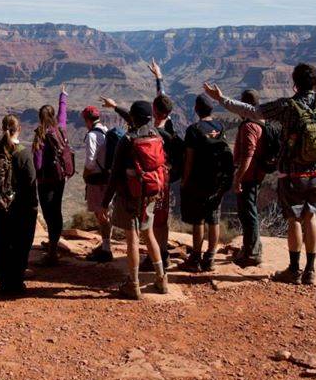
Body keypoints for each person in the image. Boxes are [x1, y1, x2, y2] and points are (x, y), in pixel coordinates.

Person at [204, 64, 316, 285]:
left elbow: (252, 111)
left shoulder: (287, 106)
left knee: (294, 220)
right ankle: (310, 271)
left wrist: (221, 98)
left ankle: (294, 269)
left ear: (294, 83)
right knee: (311, 216)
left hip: (292, 174)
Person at [101, 59, 183, 271]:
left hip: (139, 184)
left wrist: (115, 106)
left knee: (141, 229)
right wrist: (159, 77)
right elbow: (160, 101)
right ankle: (162, 256)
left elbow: (134, 117)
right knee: (160, 221)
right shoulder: (167, 129)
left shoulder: (144, 132)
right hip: (161, 182)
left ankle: (139, 271)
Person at [100, 101, 169, 300]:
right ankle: (161, 279)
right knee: (149, 235)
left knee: (132, 237)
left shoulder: (127, 140)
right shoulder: (156, 134)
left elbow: (114, 176)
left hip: (129, 196)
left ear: (134, 118)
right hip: (150, 194)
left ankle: (134, 283)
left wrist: (105, 202)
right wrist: (116, 107)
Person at [180, 94, 234, 272]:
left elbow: (189, 159)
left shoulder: (193, 129)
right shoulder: (220, 126)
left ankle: (195, 257)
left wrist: (184, 181)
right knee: (214, 219)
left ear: (196, 109)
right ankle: (210, 257)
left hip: (198, 180)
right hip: (217, 181)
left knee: (198, 220)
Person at [0, 115, 38, 294]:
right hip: (21, 208)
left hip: (0, 207)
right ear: (20, 128)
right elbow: (31, 182)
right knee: (20, 245)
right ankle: (16, 282)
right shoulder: (24, 153)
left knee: (2, 244)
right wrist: (33, 207)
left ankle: (4, 282)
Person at [33, 86, 71, 266]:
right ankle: (54, 244)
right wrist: (63, 95)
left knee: (49, 214)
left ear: (41, 118)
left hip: (45, 181)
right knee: (57, 210)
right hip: (60, 178)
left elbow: (38, 164)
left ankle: (52, 252)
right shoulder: (61, 128)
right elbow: (63, 112)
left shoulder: (41, 135)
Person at [232, 89, 267, 267]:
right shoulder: (260, 120)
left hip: (249, 176)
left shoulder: (249, 126)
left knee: (248, 213)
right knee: (249, 211)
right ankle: (251, 247)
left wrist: (238, 178)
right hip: (256, 174)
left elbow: (247, 155)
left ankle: (252, 253)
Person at [81, 105, 114, 263]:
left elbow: (90, 163)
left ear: (87, 120)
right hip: (108, 179)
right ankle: (106, 245)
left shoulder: (92, 136)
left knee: (101, 215)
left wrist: (85, 175)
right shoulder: (106, 130)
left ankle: (106, 250)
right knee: (105, 213)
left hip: (96, 180)